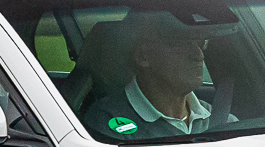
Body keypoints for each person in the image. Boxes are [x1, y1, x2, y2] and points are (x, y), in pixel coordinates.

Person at [79, 10, 216, 140]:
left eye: (200, 42)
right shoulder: (106, 122)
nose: (199, 55)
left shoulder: (222, 118)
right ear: (143, 56)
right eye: (180, 44)